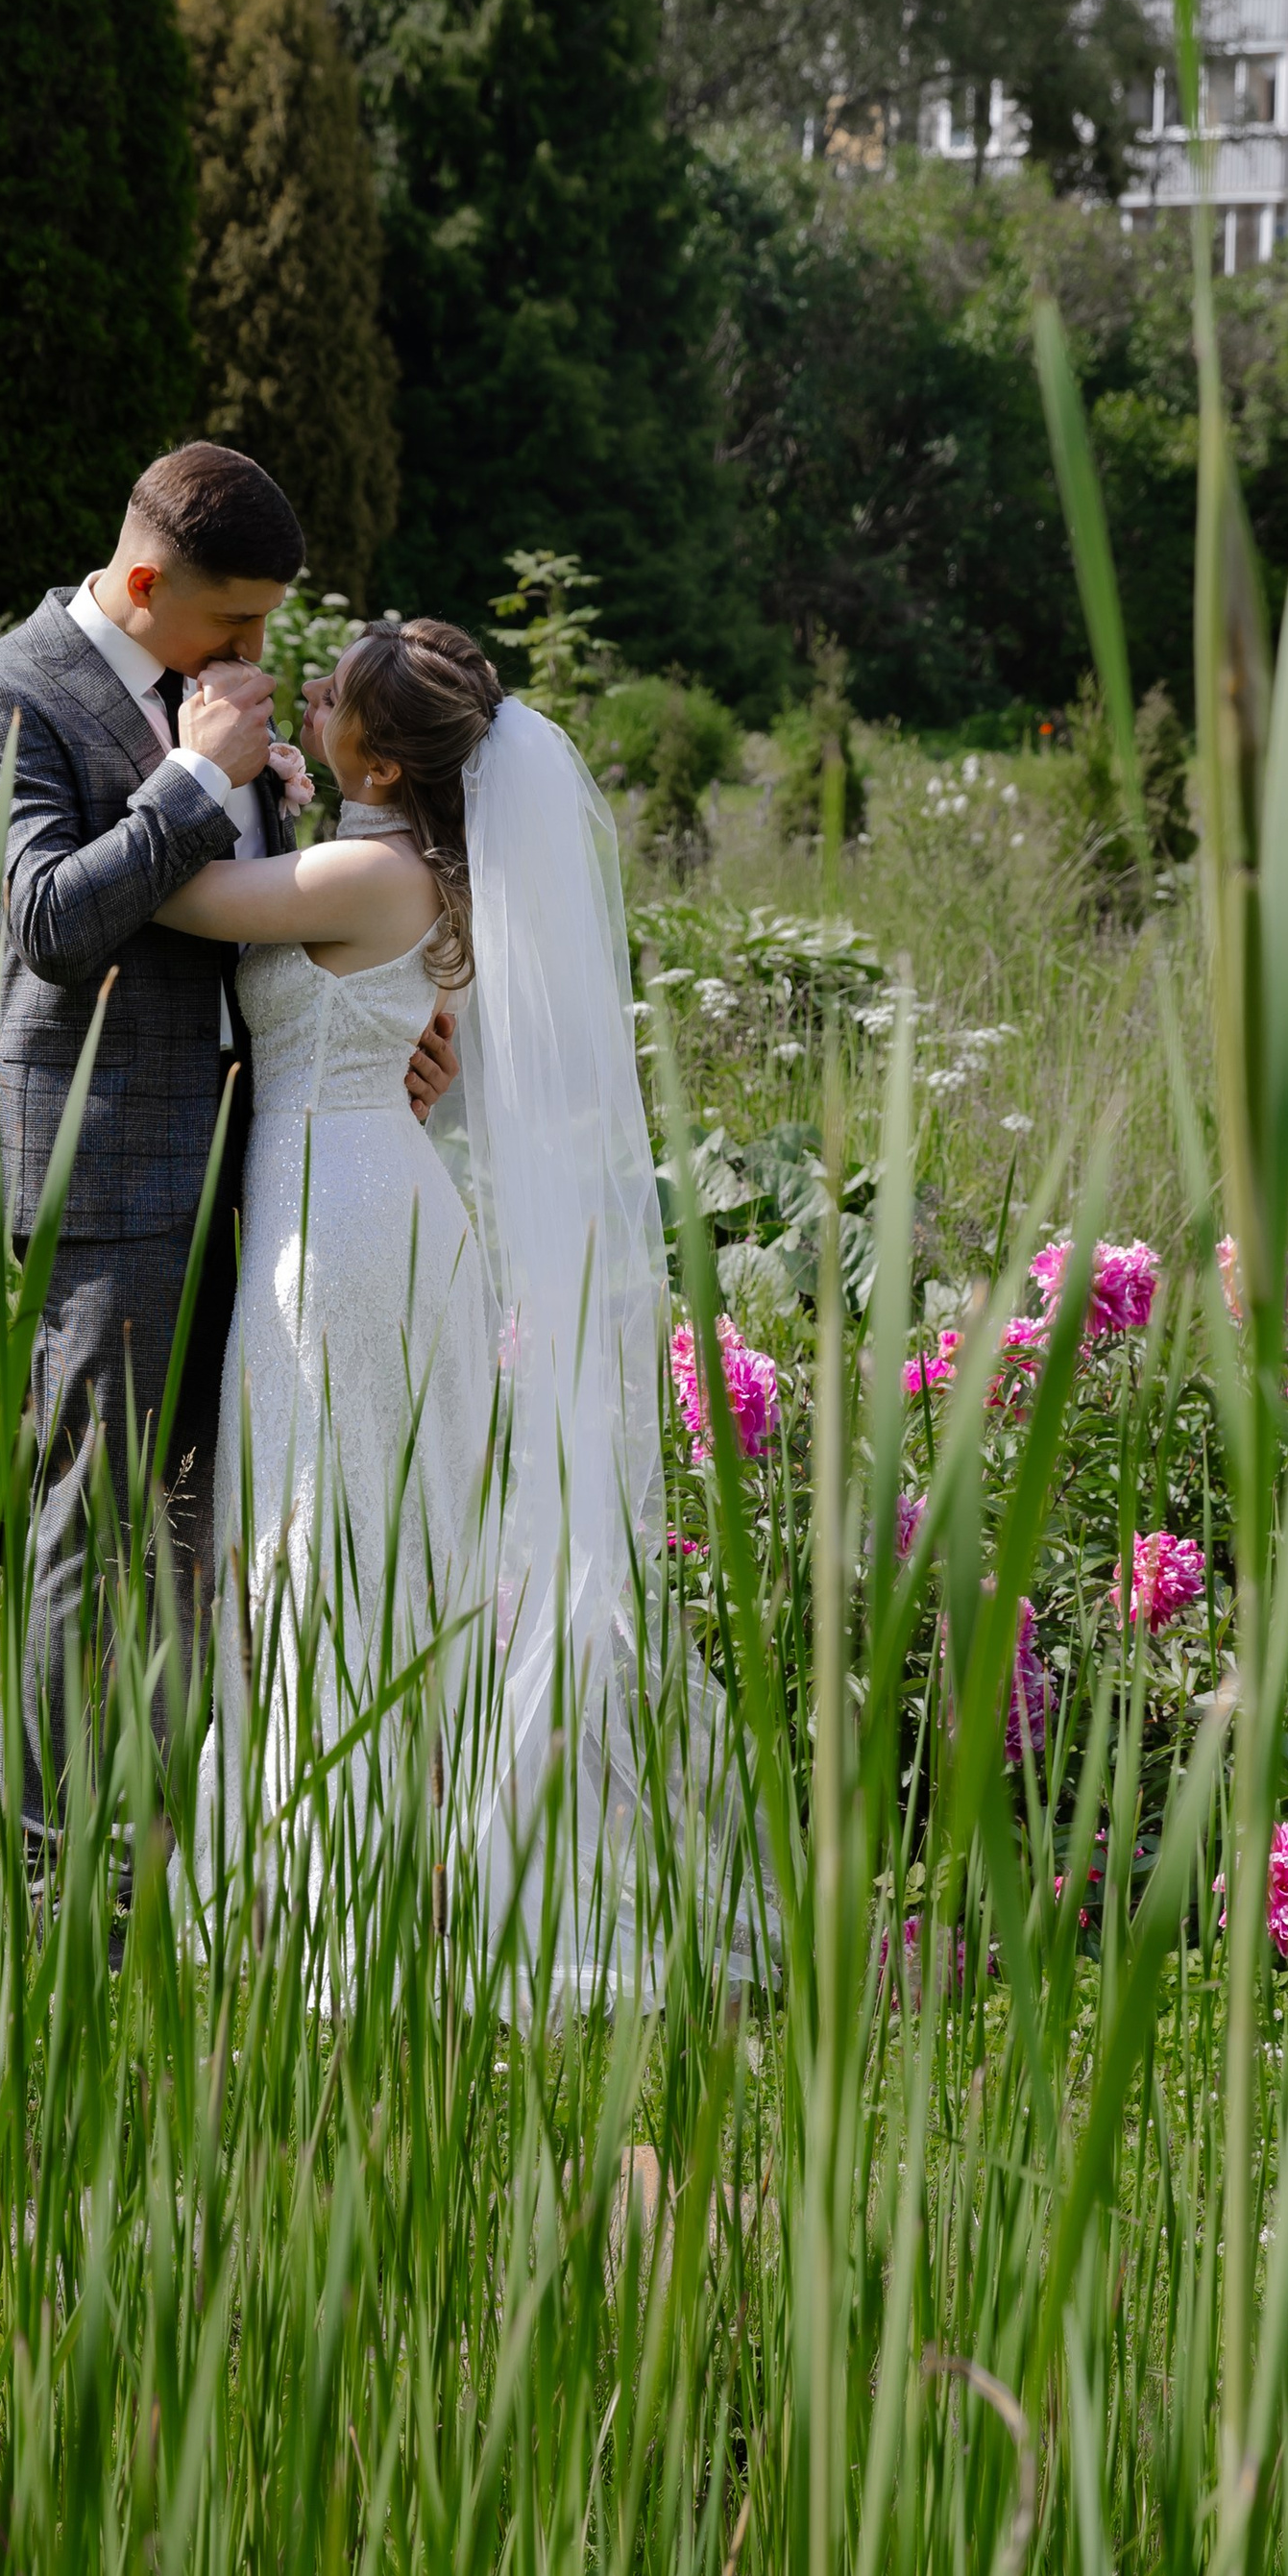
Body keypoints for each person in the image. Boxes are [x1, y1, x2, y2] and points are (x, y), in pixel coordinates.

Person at [154, 616, 752, 2001]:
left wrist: (187, 767)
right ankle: (338, 1857)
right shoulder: (420, 868)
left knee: (324, 1536)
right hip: (379, 1193)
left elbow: (186, 900)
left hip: (342, 1221)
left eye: (330, 692)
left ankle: (321, 1893)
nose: (304, 693)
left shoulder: (364, 868)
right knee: (350, 1531)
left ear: (375, 751)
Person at [0, 441, 456, 1863]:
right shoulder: (4, 694)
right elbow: (42, 914)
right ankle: (58, 1878)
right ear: (149, 580)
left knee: (208, 1530)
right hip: (102, 1184)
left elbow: (278, 927)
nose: (259, 654)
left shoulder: (216, 688)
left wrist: (372, 1032)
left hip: (272, 1179)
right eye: (237, 624)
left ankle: (179, 1840)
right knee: (91, 1532)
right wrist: (186, 778)